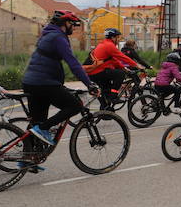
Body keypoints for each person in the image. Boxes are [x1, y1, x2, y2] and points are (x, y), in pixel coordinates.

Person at [21, 10, 99, 151]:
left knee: (36, 122)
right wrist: (90, 84)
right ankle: (44, 129)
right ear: (65, 23)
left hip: (31, 82)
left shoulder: (47, 35)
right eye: (73, 24)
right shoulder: (58, 38)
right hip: (44, 83)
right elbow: (73, 63)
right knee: (75, 106)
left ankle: (28, 158)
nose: (74, 27)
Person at [87, 28, 143, 105]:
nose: (119, 39)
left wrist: (124, 68)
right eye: (118, 37)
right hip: (97, 72)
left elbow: (114, 60)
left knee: (106, 91)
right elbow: (122, 57)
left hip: (94, 73)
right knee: (120, 74)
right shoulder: (109, 45)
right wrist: (136, 65)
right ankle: (114, 97)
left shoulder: (103, 44)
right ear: (113, 37)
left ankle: (105, 111)